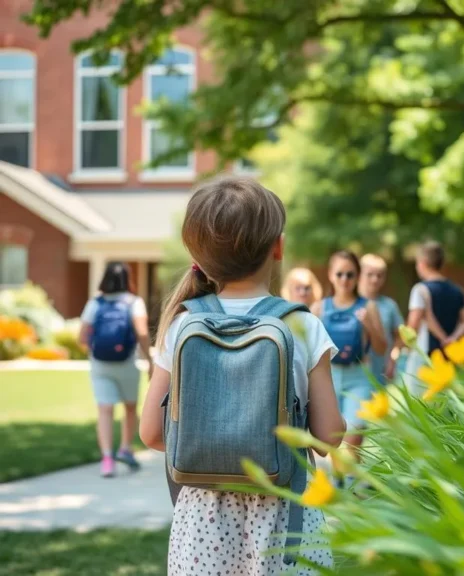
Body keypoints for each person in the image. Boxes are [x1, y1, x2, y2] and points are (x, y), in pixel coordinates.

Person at [139, 176, 345, 574]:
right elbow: (329, 437)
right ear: (278, 247)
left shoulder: (182, 325)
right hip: (284, 517)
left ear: (198, 254)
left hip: (203, 518)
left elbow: (150, 432)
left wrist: (212, 446)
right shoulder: (302, 326)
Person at [79, 262, 152, 478]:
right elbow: (142, 333)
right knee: (130, 408)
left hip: (100, 364)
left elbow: (81, 337)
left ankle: (107, 460)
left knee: (105, 410)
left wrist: (96, 351)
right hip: (127, 363)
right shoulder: (134, 302)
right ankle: (126, 449)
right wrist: (150, 360)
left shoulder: (95, 303)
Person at [312, 251, 386, 459]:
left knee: (353, 436)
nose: (344, 280)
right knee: (331, 438)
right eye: (340, 274)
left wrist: (369, 325)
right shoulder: (319, 308)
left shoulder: (368, 307)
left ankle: (351, 485)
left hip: (358, 377)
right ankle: (337, 484)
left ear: (358, 276)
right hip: (329, 378)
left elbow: (381, 348)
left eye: (350, 275)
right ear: (330, 275)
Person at [404, 241, 464, 394]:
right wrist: (451, 339)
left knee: (417, 403)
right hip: (450, 356)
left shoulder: (420, 290)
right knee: (445, 403)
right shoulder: (459, 291)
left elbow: (413, 326)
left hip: (424, 355)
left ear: (422, 263)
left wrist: (403, 347)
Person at [359, 254, 404, 384]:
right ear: (359, 274)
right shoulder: (350, 304)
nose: (375, 279)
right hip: (354, 371)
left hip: (380, 371)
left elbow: (400, 337)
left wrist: (392, 359)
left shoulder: (389, 305)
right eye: (370, 274)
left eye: (379, 275)